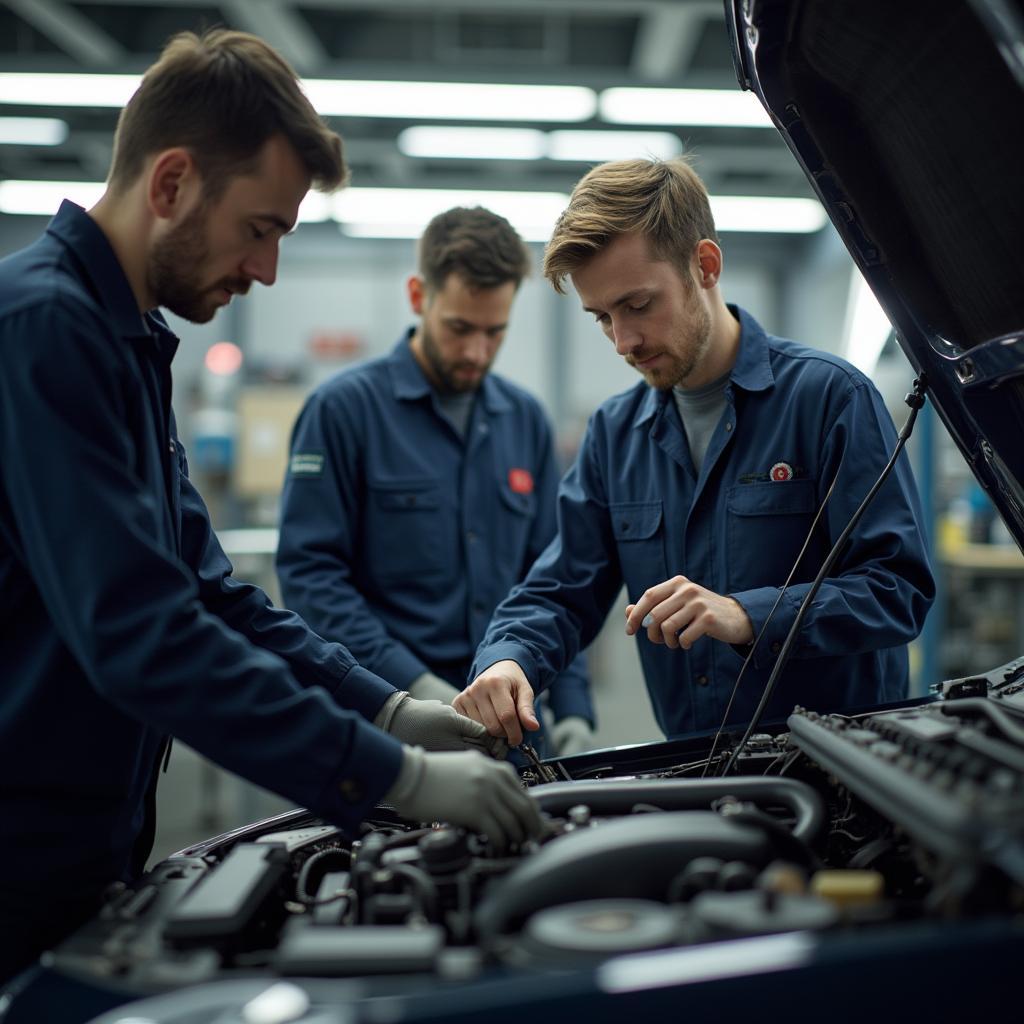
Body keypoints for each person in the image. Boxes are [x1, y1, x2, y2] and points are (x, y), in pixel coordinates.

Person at [0, 30, 539, 989]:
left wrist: (391, 709)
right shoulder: (44, 330)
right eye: (262, 228)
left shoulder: (124, 345)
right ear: (171, 184)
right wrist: (392, 778)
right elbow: (142, 632)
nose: (268, 272)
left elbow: (215, 597)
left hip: (88, 841)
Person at [453, 157, 935, 747]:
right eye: (602, 317)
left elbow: (897, 590)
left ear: (704, 265)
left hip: (842, 777)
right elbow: (562, 589)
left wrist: (749, 615)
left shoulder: (830, 399)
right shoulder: (615, 433)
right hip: (697, 772)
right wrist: (509, 659)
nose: (624, 341)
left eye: (637, 305)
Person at [276, 206, 596, 758]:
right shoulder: (342, 412)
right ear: (419, 295)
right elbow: (312, 577)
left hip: (513, 723)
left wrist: (573, 705)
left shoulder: (525, 420)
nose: (477, 352)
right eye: (460, 328)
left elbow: (553, 574)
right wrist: (411, 688)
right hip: (386, 727)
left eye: (495, 332)